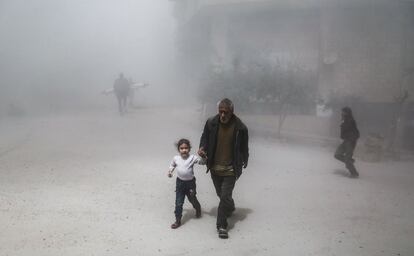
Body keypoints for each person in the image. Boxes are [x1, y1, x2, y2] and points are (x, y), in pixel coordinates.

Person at [198, 98, 249, 239]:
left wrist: (245, 159)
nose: (222, 115)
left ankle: (221, 226)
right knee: (221, 195)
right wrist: (202, 148)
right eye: (220, 111)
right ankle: (230, 206)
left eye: (225, 112)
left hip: (230, 169)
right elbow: (205, 138)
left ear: (232, 112)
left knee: (224, 196)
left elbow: (244, 146)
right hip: (214, 168)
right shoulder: (211, 123)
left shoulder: (241, 128)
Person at [168, 138, 206, 229]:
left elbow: (202, 162)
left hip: (190, 184)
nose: (184, 150)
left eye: (186, 148)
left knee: (192, 199)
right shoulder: (176, 158)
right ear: (178, 149)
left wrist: (203, 156)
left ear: (189, 148)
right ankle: (177, 220)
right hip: (180, 183)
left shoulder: (192, 158)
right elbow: (172, 165)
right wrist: (170, 171)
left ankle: (198, 208)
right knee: (178, 203)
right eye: (181, 148)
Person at [334, 106, 360, 178]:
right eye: (342, 111)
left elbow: (356, 133)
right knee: (337, 154)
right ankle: (349, 161)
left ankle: (354, 173)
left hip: (350, 142)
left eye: (343, 111)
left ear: (347, 112)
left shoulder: (351, 120)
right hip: (345, 141)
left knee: (347, 160)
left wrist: (352, 139)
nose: (341, 113)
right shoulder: (344, 120)